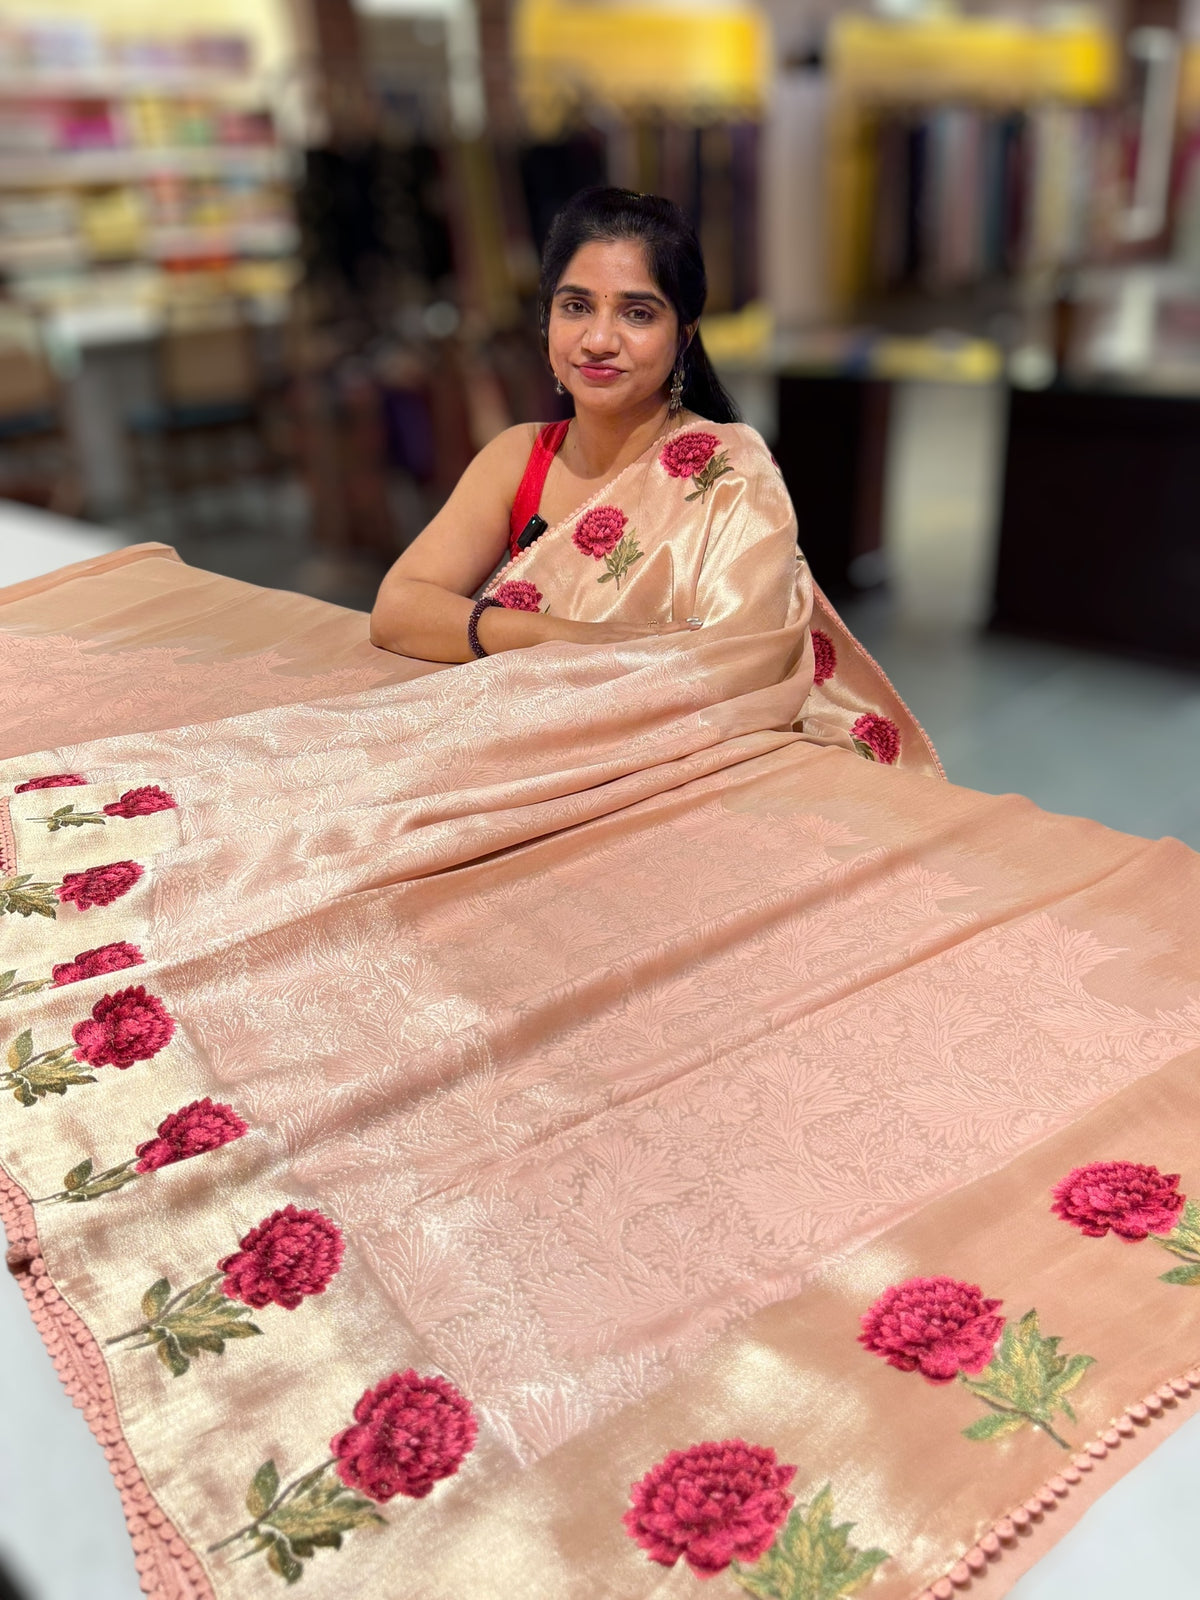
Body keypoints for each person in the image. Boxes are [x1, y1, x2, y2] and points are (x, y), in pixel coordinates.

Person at [2, 190, 1200, 1600]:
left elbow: (739, 669)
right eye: (577, 302)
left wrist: (525, 652)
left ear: (683, 329)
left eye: (637, 307)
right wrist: (564, 646)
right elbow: (398, 607)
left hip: (708, 775)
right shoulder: (522, 455)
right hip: (538, 762)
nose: (601, 334)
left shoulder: (727, 474)